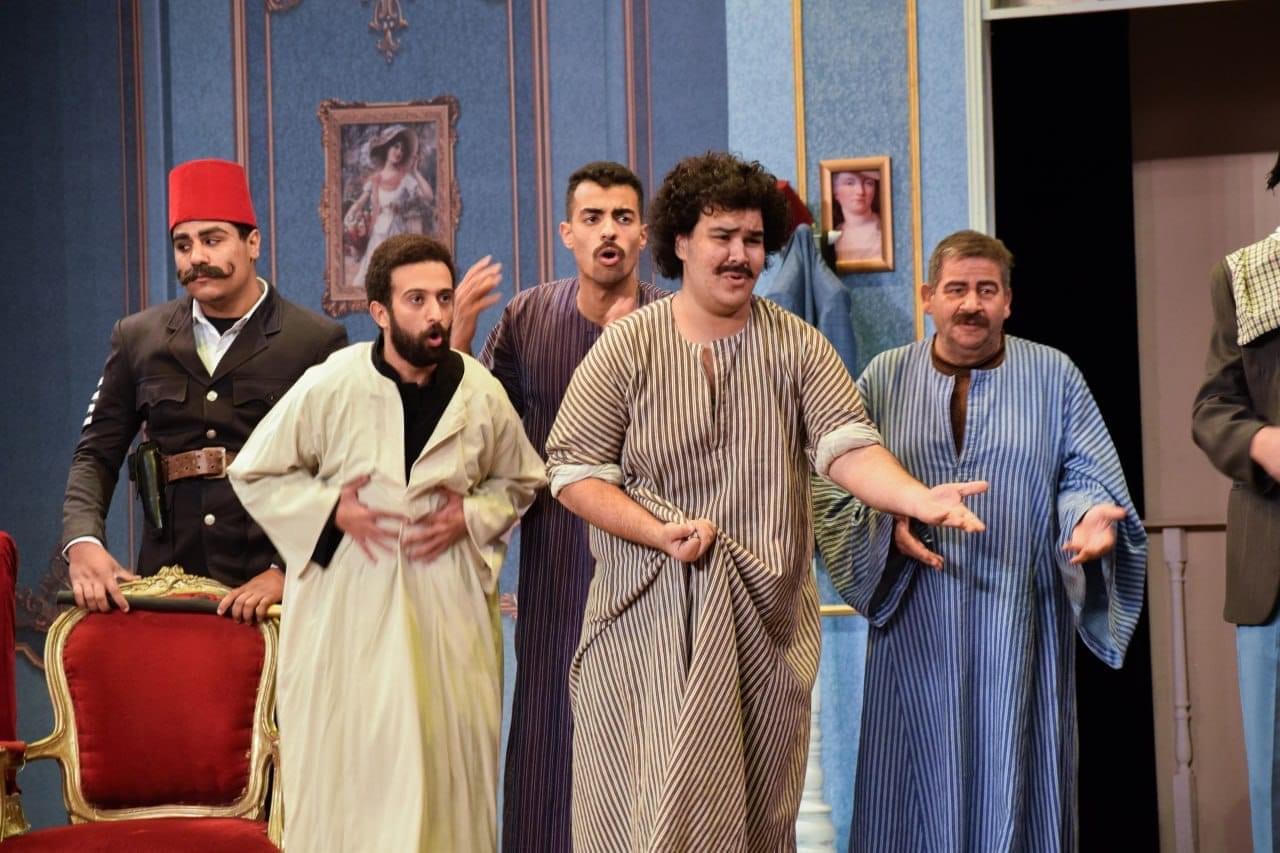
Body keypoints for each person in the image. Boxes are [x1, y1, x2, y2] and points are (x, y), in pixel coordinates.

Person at [543, 152, 987, 851]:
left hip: (761, 633)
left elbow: (847, 445)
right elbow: (574, 473)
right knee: (635, 820)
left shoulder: (798, 345)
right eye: (722, 236)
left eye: (753, 239)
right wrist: (656, 533)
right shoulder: (627, 347)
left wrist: (916, 497)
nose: (740, 255)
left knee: (752, 824)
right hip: (641, 632)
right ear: (680, 241)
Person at [817, 229, 1147, 852]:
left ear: (1008, 301)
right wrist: (888, 523)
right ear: (927, 297)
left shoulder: (1054, 375)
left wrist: (1086, 520)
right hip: (915, 622)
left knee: (1017, 781)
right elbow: (835, 482)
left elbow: (1085, 476)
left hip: (1021, 621)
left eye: (986, 290)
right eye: (956, 289)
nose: (971, 304)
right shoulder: (884, 377)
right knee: (909, 785)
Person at [227, 233, 545, 851]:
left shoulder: (479, 391)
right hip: (347, 616)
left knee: (446, 783)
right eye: (416, 300)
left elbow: (522, 478)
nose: (436, 314)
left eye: (444, 299)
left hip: (447, 615)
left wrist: (471, 515)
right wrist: (329, 510)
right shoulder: (333, 384)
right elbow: (255, 470)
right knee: (351, 788)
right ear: (379, 310)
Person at [448, 159, 664, 851]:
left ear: (644, 234)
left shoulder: (673, 322)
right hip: (556, 565)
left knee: (648, 738)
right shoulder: (528, 317)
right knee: (549, 736)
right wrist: (458, 335)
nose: (609, 232)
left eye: (623, 218)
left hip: (652, 564)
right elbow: (479, 431)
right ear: (567, 233)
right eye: (593, 218)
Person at [61, 158, 347, 622]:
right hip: (167, 588)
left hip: (275, 598)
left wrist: (288, 570)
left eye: (212, 240)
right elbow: (95, 454)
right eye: (183, 244)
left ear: (253, 243)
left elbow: (343, 471)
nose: (196, 257)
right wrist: (83, 541)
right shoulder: (138, 338)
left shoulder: (314, 341)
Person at [1192, 152, 1280, 853]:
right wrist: (1261, 442)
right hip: (1272, 564)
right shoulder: (1247, 275)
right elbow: (1213, 407)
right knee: (1273, 777)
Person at [345, 124, 435, 290]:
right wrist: (351, 214)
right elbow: (360, 202)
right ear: (386, 149)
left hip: (398, 231)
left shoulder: (406, 178)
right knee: (375, 275)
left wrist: (415, 172)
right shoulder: (375, 179)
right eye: (395, 146)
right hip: (379, 230)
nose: (399, 152)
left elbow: (429, 197)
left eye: (402, 149)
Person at [831, 170, 882, 263]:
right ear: (835, 191)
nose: (860, 191)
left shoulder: (886, 230)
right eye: (850, 183)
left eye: (868, 183)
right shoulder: (834, 236)